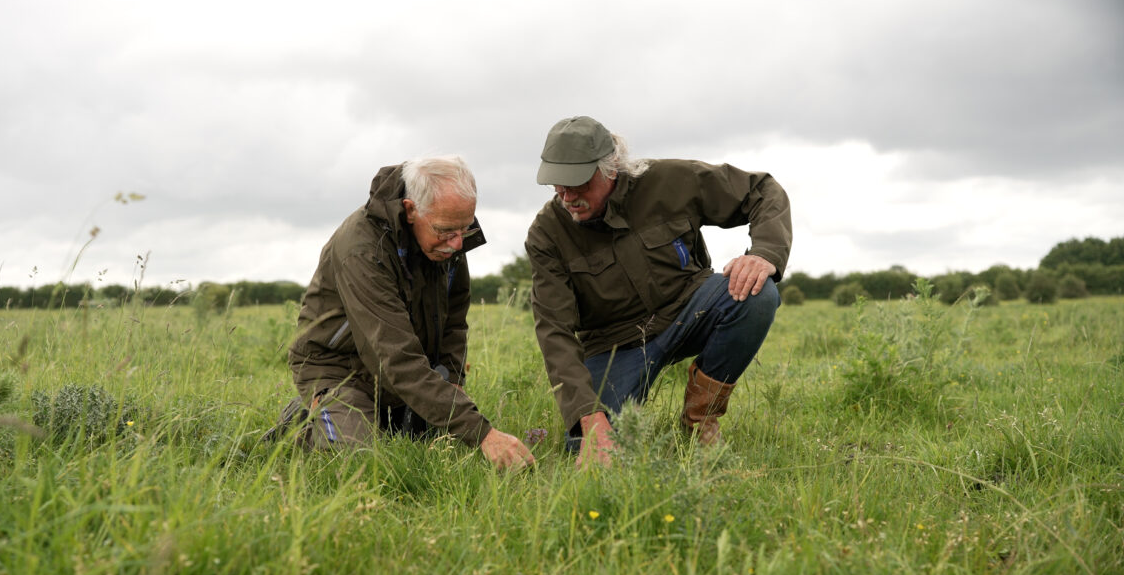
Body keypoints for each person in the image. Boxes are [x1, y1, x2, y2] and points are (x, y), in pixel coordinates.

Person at [526, 116, 792, 467]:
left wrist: (764, 254)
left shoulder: (669, 180)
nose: (567, 196)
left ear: (611, 169)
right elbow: (554, 331)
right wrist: (589, 417)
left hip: (689, 307)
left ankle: (700, 420)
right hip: (614, 343)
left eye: (578, 183)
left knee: (755, 294)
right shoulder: (547, 234)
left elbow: (762, 190)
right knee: (588, 446)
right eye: (557, 184)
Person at [276, 155, 535, 470]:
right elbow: (394, 356)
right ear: (411, 210)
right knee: (364, 465)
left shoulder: (448, 238)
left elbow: (454, 322)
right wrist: (481, 433)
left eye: (464, 228)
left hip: (401, 373)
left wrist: (452, 379)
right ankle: (306, 418)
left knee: (424, 447)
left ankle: (383, 416)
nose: (457, 244)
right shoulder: (362, 248)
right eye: (446, 230)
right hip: (341, 371)